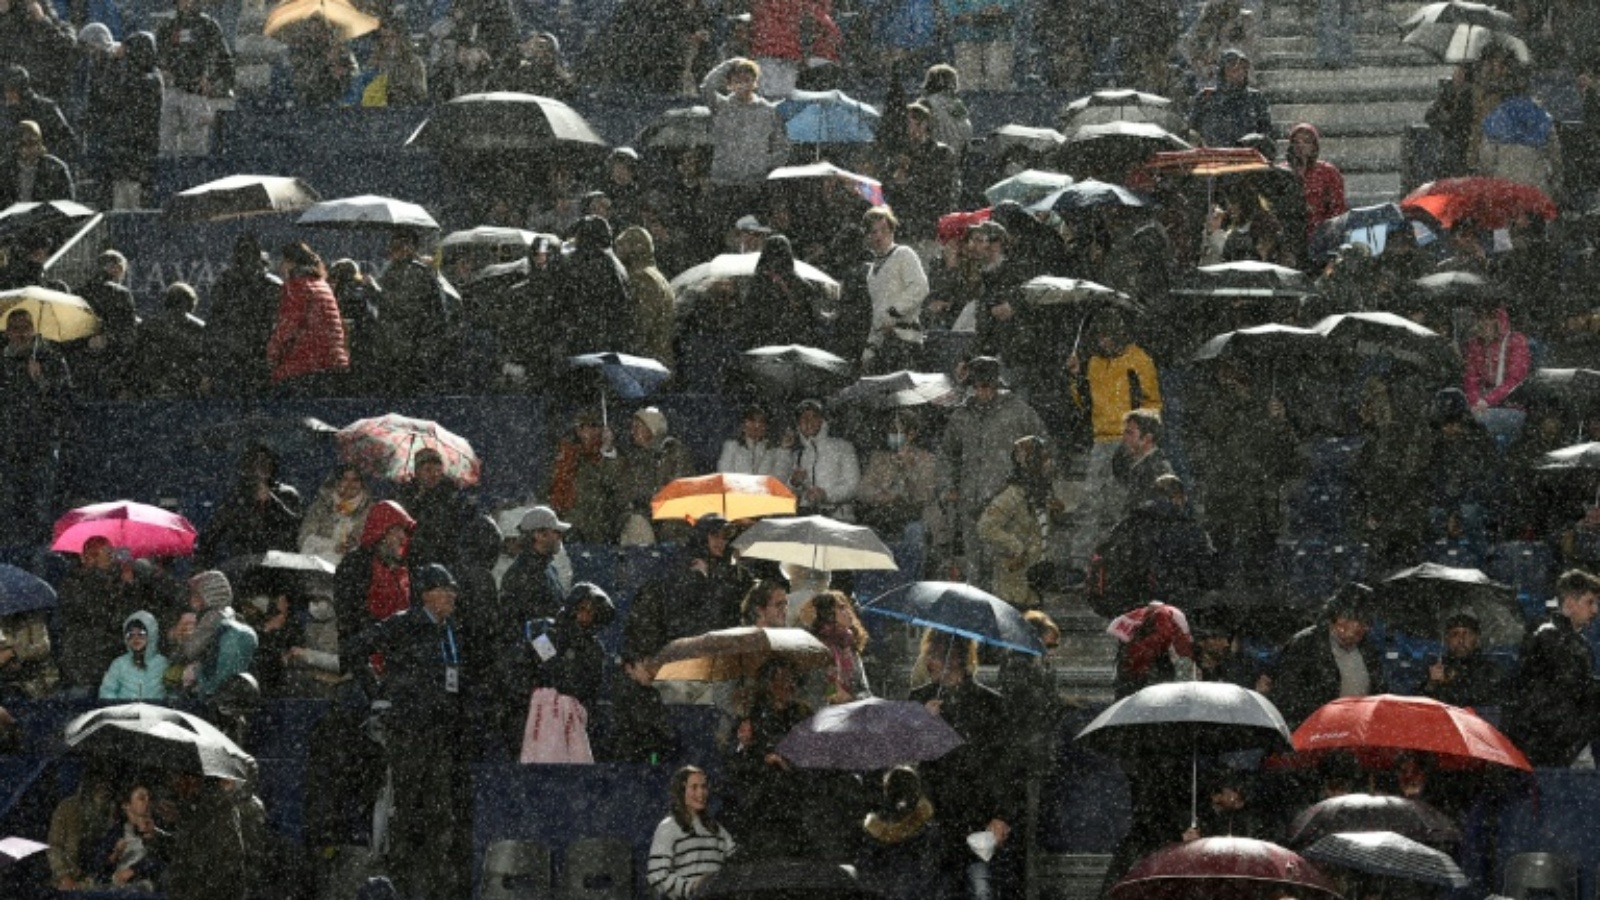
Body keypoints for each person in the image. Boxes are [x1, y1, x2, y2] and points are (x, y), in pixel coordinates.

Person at [343, 564, 473, 900]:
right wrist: (379, 693)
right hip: (409, 729)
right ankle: (397, 879)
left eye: (454, 591)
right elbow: (356, 648)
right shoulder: (405, 623)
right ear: (427, 593)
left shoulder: (449, 629)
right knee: (403, 806)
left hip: (438, 732)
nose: (453, 597)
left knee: (439, 810)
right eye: (446, 590)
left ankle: (435, 883)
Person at [909, 630, 1018, 900]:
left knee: (981, 889)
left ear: (955, 657)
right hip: (933, 816)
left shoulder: (990, 703)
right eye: (928, 654)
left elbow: (1004, 763)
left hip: (977, 816)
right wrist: (923, 724)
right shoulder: (919, 699)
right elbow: (907, 758)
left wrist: (1001, 814)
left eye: (934, 654)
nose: (928, 662)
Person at [1066, 316, 1163, 570]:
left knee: (1123, 502)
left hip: (1128, 440)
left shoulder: (1140, 360)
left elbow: (1152, 401)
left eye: (1107, 336)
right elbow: (1084, 403)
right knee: (1091, 501)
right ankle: (1081, 562)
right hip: (1101, 439)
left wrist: (1142, 433)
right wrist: (1076, 377)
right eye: (1100, 337)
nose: (1103, 342)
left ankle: (1119, 559)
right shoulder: (1094, 363)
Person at [938, 356, 1047, 580]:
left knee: (1003, 566)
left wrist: (1028, 484)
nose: (981, 392)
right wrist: (948, 486)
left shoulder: (1019, 412)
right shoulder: (961, 416)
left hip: (1006, 498)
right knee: (974, 566)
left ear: (997, 384)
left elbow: (1042, 447)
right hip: (970, 498)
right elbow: (947, 454)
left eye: (986, 386)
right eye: (976, 386)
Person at [1503, 569, 1600, 767]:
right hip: (1544, 741)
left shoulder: (1578, 641)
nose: (1595, 610)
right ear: (1570, 603)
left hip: (1563, 737)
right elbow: (1571, 686)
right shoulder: (1547, 636)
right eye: (1590, 602)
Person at [1265, 583, 1387, 728]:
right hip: (1317, 733)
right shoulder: (1306, 643)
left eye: (1368, 622)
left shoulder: (1367, 648)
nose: (1364, 628)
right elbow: (1288, 696)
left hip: (1357, 732)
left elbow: (1380, 689)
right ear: (1340, 617)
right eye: (1360, 620)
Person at [0, 307, 70, 543]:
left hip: (40, 444)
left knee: (38, 511)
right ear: (7, 332)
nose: (21, 334)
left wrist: (40, 380)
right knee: (9, 512)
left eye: (26, 328)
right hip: (8, 448)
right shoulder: (3, 362)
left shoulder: (50, 359)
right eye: (15, 329)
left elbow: (63, 403)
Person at [977, 435, 1067, 609]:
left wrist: (1056, 513)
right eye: (1043, 458)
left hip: (1035, 582)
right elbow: (985, 527)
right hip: (1012, 587)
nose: (1048, 463)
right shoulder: (1012, 495)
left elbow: (1042, 530)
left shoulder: (1044, 493)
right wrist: (1015, 546)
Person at [699, 56, 789, 227]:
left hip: (755, 187)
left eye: (747, 80)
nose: (742, 84)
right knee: (722, 234)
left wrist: (763, 164)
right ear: (730, 84)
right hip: (723, 185)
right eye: (737, 80)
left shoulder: (768, 110)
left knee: (753, 235)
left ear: (755, 83)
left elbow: (782, 147)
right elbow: (706, 86)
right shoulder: (721, 106)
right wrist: (731, 63)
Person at [266, 241, 349, 395]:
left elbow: (287, 327)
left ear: (290, 263)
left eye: (282, 262)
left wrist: (270, 355)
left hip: (305, 367)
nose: (280, 268)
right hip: (332, 363)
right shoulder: (321, 284)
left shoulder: (296, 286)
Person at [196, 444, 302, 564]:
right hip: (245, 566)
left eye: (266, 462)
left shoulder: (287, 493)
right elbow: (211, 536)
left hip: (279, 564)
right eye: (256, 462)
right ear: (248, 468)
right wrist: (201, 565)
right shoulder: (237, 498)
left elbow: (296, 528)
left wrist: (272, 501)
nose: (262, 467)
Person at [331, 499, 417, 647]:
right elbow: (348, 617)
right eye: (397, 530)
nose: (403, 537)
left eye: (404, 530)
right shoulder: (356, 564)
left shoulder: (400, 565)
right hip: (366, 651)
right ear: (381, 531)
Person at [857, 766, 950, 900]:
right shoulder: (930, 829)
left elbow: (866, 871)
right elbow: (940, 875)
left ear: (887, 791)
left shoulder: (873, 831)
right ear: (917, 791)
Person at [206, 235, 282, 399]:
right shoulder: (273, 285)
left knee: (228, 413)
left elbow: (213, 325)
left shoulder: (224, 283)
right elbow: (279, 324)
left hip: (230, 359)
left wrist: (211, 364)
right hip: (261, 358)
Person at [155, 0, 233, 156]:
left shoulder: (208, 25)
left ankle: (193, 179)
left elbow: (225, 60)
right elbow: (155, 55)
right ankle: (168, 179)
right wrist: (161, 70)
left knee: (195, 151)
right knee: (165, 149)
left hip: (196, 94)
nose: (186, 3)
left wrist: (210, 80)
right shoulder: (167, 25)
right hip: (170, 91)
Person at [647, 766, 736, 900]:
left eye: (704, 786)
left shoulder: (717, 828)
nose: (701, 793)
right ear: (681, 791)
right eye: (694, 787)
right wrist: (692, 889)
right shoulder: (668, 827)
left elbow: (736, 864)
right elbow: (657, 873)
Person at [862, 205, 930, 373]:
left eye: (883, 230)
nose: (878, 236)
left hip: (905, 341)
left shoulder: (903, 254)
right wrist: (870, 348)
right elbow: (877, 310)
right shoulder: (872, 270)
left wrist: (893, 313)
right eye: (873, 231)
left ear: (892, 230)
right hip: (884, 344)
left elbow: (920, 287)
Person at [172, 570, 258, 702]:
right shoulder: (232, 615)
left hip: (211, 689)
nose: (192, 598)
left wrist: (179, 638)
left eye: (196, 593)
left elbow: (188, 651)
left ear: (209, 594)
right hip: (234, 689)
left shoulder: (213, 616)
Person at [547, 408, 625, 544]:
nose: (594, 432)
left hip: (598, 523)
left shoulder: (612, 455)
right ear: (578, 430)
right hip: (568, 521)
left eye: (597, 426)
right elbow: (552, 487)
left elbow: (610, 482)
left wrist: (606, 450)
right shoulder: (567, 453)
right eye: (589, 426)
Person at [620, 406, 696, 544]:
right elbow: (627, 491)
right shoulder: (636, 457)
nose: (633, 432)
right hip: (646, 518)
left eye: (638, 427)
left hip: (673, 522)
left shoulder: (675, 453)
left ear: (651, 429)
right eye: (633, 427)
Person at [125, 280, 208, 397]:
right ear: (191, 302)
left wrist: (129, 386)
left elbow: (134, 357)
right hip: (187, 390)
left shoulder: (148, 325)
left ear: (167, 301)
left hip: (151, 390)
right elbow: (206, 359)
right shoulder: (200, 328)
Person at [1462, 306, 1531, 446]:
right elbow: (1471, 378)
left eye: (1490, 317)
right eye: (1481, 318)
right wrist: (1475, 401)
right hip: (1482, 406)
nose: (1485, 322)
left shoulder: (1515, 340)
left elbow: (1515, 379)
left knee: (1480, 425)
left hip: (1512, 405)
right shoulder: (1475, 344)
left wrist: (1487, 401)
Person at [395, 447, 468, 571]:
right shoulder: (405, 493)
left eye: (438, 470)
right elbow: (402, 524)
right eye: (428, 470)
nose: (434, 474)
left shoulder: (449, 494)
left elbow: (455, 528)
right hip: (412, 558)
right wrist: (417, 500)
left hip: (445, 558)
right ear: (417, 471)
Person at [787, 399, 861, 519]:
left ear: (822, 420)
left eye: (813, 417)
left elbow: (853, 486)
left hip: (839, 519)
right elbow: (790, 493)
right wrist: (794, 483)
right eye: (803, 418)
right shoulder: (798, 454)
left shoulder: (843, 447)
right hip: (807, 519)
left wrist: (826, 495)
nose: (808, 422)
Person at [615, 224, 677, 368]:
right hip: (656, 357)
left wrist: (628, 349)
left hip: (647, 360)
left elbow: (642, 321)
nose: (617, 251)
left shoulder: (642, 277)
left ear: (636, 247)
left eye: (621, 246)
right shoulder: (653, 274)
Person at [1188, 48, 1272, 148]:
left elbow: (1265, 132)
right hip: (1213, 155)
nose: (1239, 72)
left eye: (1243, 68)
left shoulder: (1255, 98)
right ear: (1223, 71)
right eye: (1233, 69)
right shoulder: (1206, 97)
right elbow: (1193, 131)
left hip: (1246, 156)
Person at [1419, 610, 1503, 709]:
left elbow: (1475, 701)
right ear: (1447, 639)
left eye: (1467, 634)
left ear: (1476, 639)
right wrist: (1431, 684)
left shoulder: (1490, 669)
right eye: (1455, 634)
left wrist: (1446, 685)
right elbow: (1418, 704)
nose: (1461, 640)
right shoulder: (1436, 667)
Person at [298, 464, 375, 565]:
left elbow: (369, 545)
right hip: (316, 566)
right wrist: (333, 546)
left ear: (362, 483)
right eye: (345, 479)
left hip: (351, 569)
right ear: (337, 482)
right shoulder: (321, 505)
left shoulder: (371, 510)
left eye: (355, 480)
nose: (350, 484)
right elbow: (303, 539)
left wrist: (352, 546)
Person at [94, 782, 163, 890]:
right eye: (141, 798)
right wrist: (115, 855)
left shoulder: (159, 830)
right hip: (118, 889)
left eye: (149, 798)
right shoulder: (115, 833)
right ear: (126, 805)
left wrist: (134, 870)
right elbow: (98, 870)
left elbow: (163, 860)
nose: (148, 802)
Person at [1285, 122, 1347, 241]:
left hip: (1321, 235)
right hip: (1289, 234)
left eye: (1307, 142)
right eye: (1296, 142)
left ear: (1315, 146)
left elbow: (1337, 209)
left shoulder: (1328, 172)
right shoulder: (1283, 172)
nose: (1301, 146)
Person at [98, 611, 168, 700]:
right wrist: (121, 710)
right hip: (125, 713)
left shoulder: (163, 664)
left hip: (155, 712)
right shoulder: (119, 664)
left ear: (151, 635)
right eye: (130, 635)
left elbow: (173, 693)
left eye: (141, 634)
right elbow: (107, 691)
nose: (136, 638)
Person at [0, 118, 72, 204]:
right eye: (24, 143)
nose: (30, 148)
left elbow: (66, 204)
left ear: (40, 143)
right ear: (17, 146)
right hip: (11, 216)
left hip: (45, 216)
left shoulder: (56, 169)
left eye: (33, 142)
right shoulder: (4, 171)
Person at [718, 404, 793, 482]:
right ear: (744, 424)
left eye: (761, 421)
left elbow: (780, 479)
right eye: (752, 420)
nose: (757, 425)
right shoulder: (732, 446)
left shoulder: (772, 451)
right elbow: (724, 475)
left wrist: (785, 450)